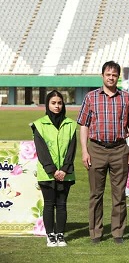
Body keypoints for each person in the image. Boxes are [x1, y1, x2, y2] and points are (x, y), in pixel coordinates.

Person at [77, 61, 129, 244]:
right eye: (108, 74)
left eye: (114, 75)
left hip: (120, 149)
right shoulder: (91, 97)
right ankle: (96, 233)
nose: (111, 78)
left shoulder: (126, 98)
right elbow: (84, 125)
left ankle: (118, 232)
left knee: (119, 194)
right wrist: (84, 151)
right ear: (102, 75)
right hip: (96, 149)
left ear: (118, 77)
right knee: (95, 194)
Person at [32, 90, 77, 247]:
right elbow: (41, 150)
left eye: (59, 103)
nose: (57, 106)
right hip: (47, 173)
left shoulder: (71, 124)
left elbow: (72, 149)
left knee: (62, 204)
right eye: (53, 103)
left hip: (66, 173)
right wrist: (53, 170)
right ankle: (50, 235)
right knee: (49, 204)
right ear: (47, 104)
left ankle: (60, 235)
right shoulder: (39, 124)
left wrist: (64, 169)